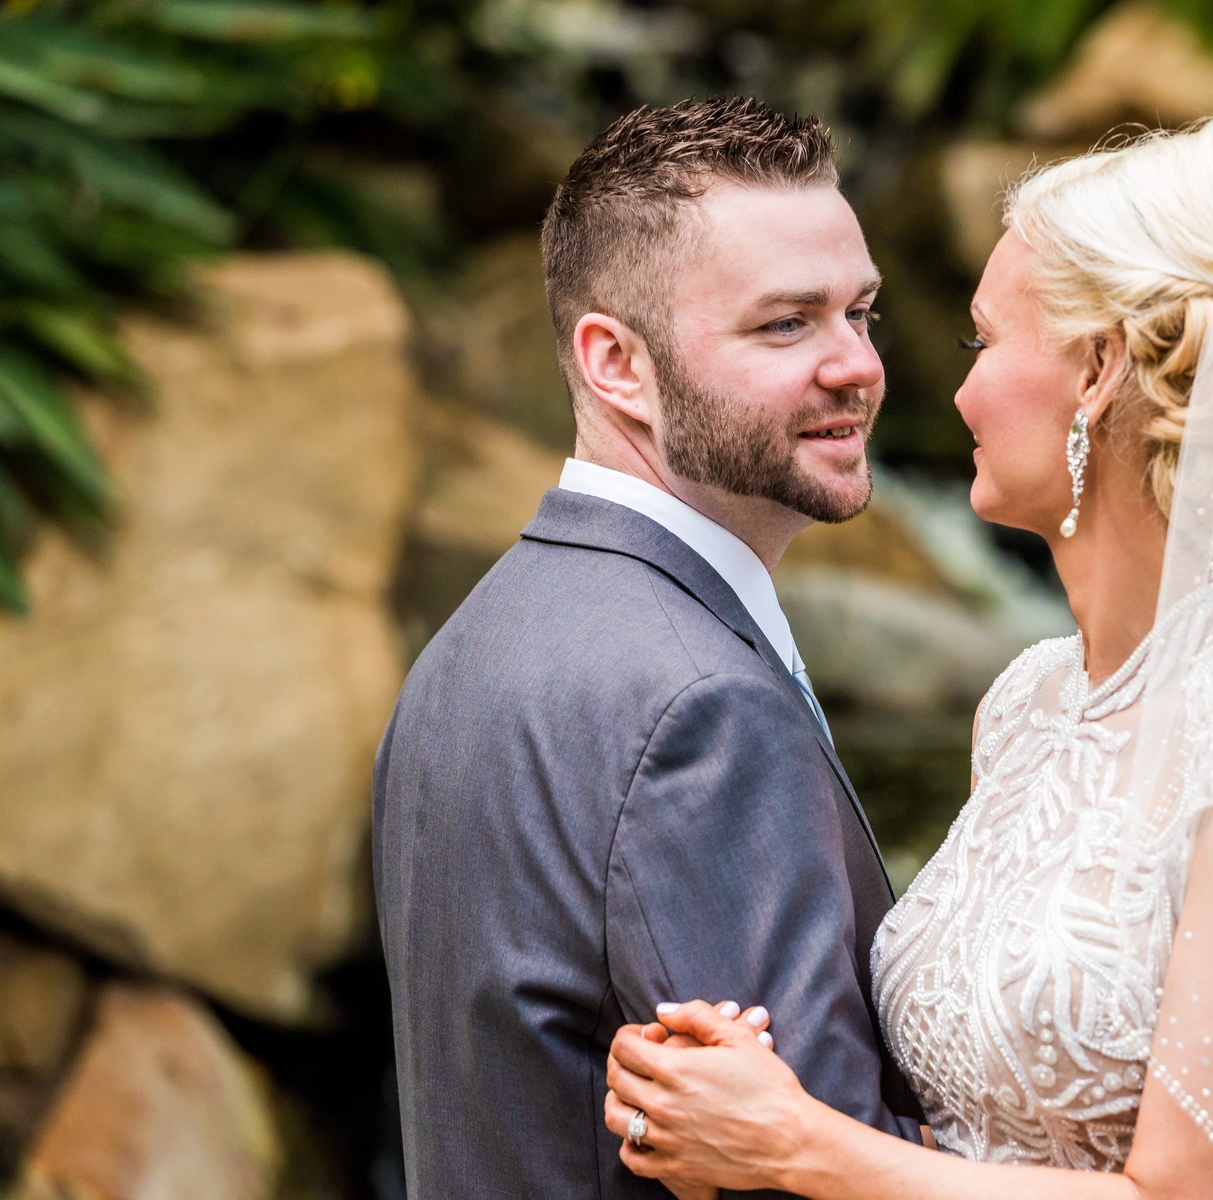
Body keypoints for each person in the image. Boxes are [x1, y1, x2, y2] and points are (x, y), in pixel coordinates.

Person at [602, 108, 1213, 1200]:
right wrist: (725, 1093)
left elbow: (1196, 1198)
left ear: (1098, 369)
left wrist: (796, 1145)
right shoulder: (1026, 703)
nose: (953, 391)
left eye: (983, 343)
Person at [371, 95, 922, 1200]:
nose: (856, 364)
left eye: (860, 312)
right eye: (786, 324)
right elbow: (806, 1169)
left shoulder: (474, 640)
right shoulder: (701, 710)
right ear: (616, 363)